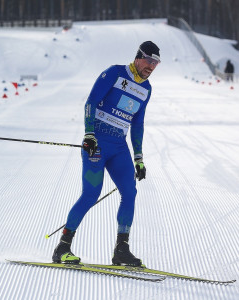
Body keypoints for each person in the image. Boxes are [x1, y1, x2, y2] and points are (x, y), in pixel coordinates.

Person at [52, 41, 161, 267]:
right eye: (149, 60)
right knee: (91, 194)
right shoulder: (115, 72)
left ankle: (121, 249)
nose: (152, 66)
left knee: (130, 192)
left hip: (119, 147)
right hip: (98, 143)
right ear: (138, 57)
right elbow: (91, 102)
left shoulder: (147, 89)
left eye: (156, 63)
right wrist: (89, 134)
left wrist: (139, 157)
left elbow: (138, 123)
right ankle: (62, 247)